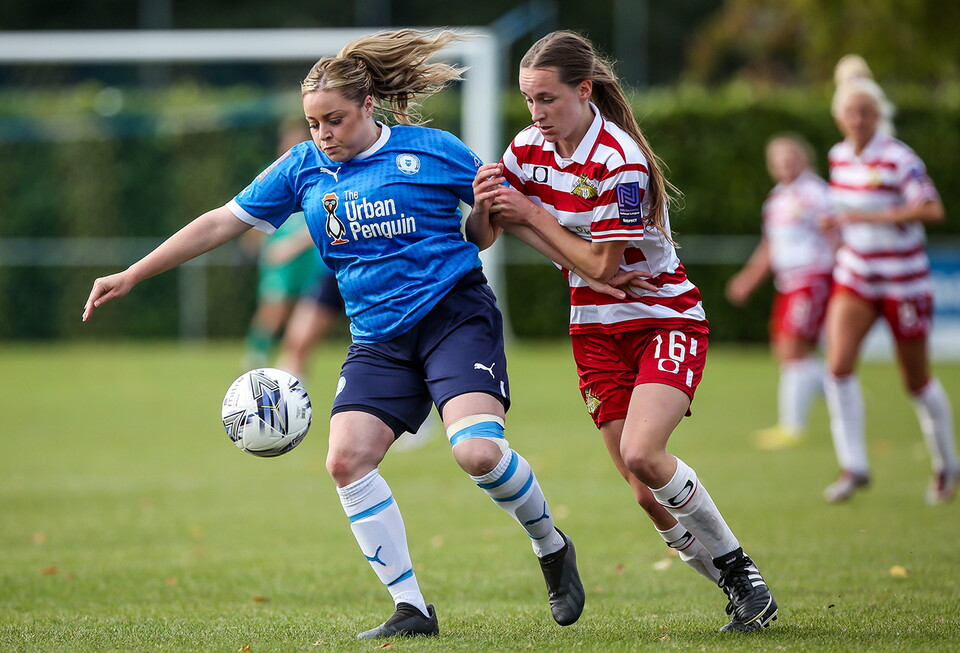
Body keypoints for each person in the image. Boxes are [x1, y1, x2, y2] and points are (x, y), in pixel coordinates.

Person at [82, 29, 584, 638]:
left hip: (454, 317)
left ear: (369, 107)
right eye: (314, 123)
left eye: (336, 121)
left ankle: (551, 545)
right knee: (345, 460)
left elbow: (487, 230)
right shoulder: (303, 167)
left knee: (477, 452)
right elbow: (221, 221)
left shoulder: (434, 150)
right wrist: (134, 273)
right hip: (378, 338)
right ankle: (411, 608)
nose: (324, 134)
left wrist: (583, 263)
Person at [469, 30, 777, 633]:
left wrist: (530, 215)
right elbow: (487, 237)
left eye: (548, 99)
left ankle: (742, 573)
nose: (536, 114)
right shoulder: (527, 148)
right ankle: (745, 593)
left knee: (644, 453)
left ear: (584, 91)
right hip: (595, 332)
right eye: (529, 100)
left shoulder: (620, 162)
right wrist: (485, 206)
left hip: (664, 320)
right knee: (642, 492)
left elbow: (606, 267)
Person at [821, 55, 959, 504]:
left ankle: (946, 466)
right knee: (838, 366)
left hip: (903, 281)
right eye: (850, 112)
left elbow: (932, 209)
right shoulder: (838, 158)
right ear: (839, 116)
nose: (858, 120)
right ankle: (854, 465)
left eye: (866, 112)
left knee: (915, 380)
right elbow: (845, 215)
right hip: (858, 275)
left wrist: (875, 214)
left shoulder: (900, 158)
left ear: (878, 115)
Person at [725, 134, 835, 450]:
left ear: (805, 158)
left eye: (790, 157)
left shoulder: (815, 193)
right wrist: (747, 278)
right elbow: (771, 246)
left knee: (793, 349)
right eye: (778, 159)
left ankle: (792, 427)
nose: (784, 164)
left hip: (811, 278)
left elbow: (836, 230)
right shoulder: (776, 199)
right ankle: (839, 387)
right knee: (786, 352)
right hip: (789, 282)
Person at [240, 123, 321, 371]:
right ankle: (255, 359)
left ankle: (294, 372)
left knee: (304, 321)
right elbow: (249, 215)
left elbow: (323, 221)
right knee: (273, 310)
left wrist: (293, 245)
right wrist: (254, 244)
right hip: (279, 260)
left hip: (310, 259)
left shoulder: (320, 173)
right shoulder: (272, 174)